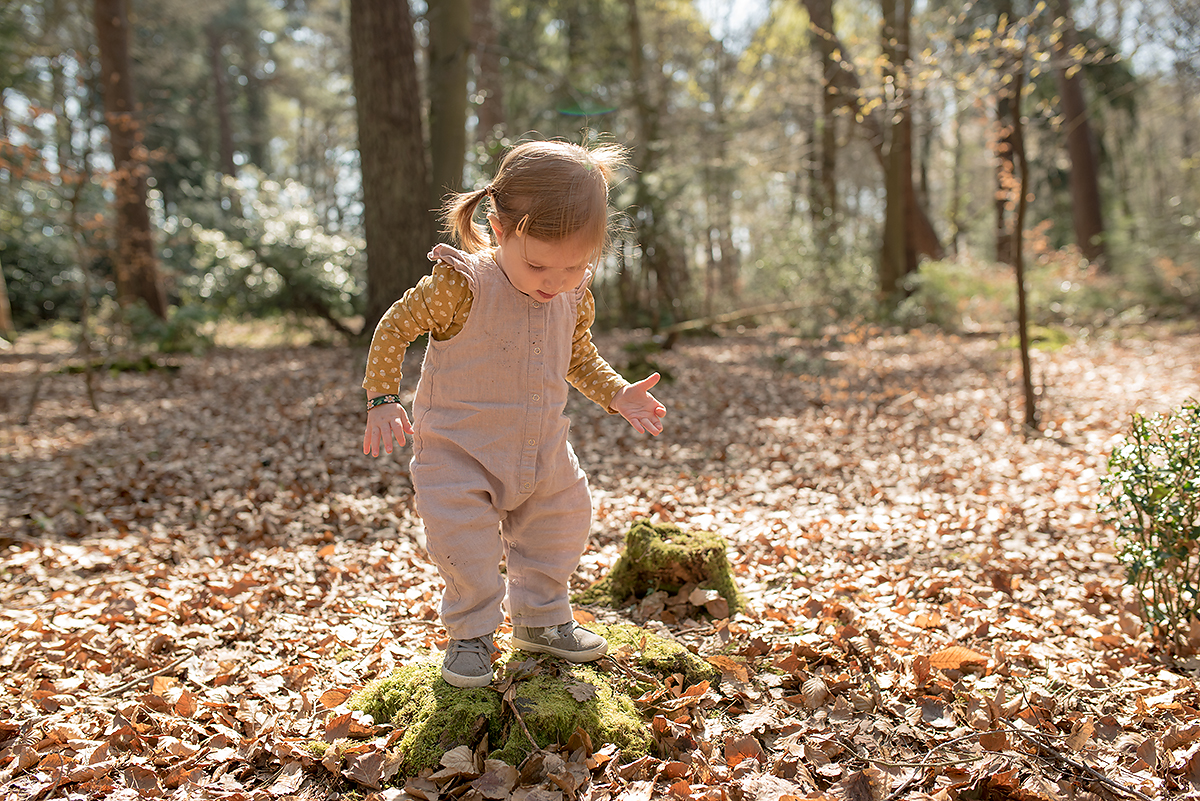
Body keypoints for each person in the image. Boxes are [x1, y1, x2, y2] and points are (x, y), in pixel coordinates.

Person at [361, 139, 667, 688]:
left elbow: (578, 357)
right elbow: (394, 328)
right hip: (459, 451)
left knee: (563, 521)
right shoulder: (462, 284)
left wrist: (619, 393)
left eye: (576, 265)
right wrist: (382, 399)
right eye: (539, 264)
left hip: (542, 448)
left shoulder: (574, 295)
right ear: (501, 230)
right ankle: (472, 635)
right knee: (465, 546)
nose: (556, 281)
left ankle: (542, 618)